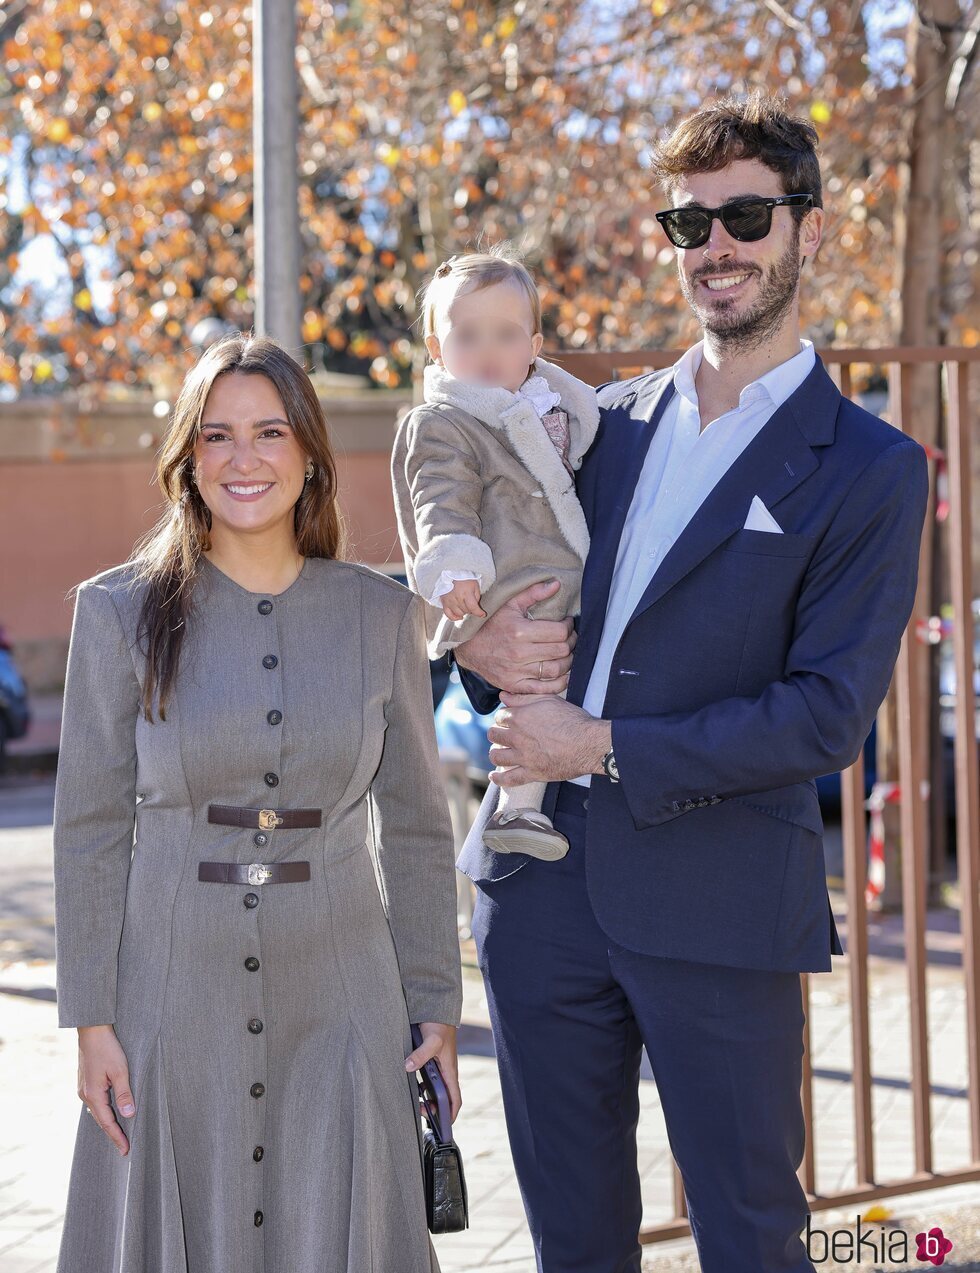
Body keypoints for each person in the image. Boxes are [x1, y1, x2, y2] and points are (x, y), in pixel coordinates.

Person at [451, 92, 930, 1272]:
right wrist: (472, 653)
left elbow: (825, 712)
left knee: (750, 1239)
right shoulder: (597, 427)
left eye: (746, 216)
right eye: (689, 222)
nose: (715, 245)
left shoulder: (869, 468)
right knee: (571, 1241)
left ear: (806, 232)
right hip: (538, 901)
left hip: (720, 912)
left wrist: (600, 743)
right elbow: (500, 590)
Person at [52, 332, 462, 1273]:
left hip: (344, 992)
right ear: (187, 461)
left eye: (270, 432)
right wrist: (92, 1021)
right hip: (168, 996)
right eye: (218, 436)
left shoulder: (381, 615)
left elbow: (413, 825)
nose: (245, 459)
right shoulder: (116, 615)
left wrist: (433, 1001)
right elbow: (87, 829)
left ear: (310, 454)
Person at [391, 243, 599, 862]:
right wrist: (454, 563)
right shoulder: (444, 423)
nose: (487, 351)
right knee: (533, 686)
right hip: (512, 585)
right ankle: (517, 810)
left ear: (535, 345)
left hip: (561, 579)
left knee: (551, 691)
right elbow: (441, 495)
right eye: (467, 334)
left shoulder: (551, 409)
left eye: (506, 334)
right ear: (436, 347)